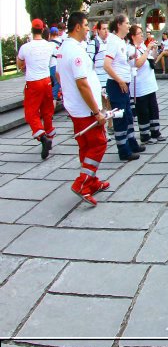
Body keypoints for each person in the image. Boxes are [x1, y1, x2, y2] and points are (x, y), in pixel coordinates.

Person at [57, 11, 109, 206]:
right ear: (77, 27)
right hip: (85, 110)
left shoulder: (64, 48)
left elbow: (60, 77)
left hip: (76, 108)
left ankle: (92, 181)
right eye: (86, 25)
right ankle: (82, 183)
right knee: (98, 144)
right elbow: (82, 83)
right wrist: (96, 111)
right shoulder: (76, 51)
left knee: (86, 146)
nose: (88, 29)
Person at [103, 15, 143, 161]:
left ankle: (131, 143)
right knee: (120, 118)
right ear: (119, 25)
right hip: (117, 85)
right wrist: (119, 80)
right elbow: (107, 65)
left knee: (128, 116)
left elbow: (120, 62)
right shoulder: (113, 41)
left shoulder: (121, 41)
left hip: (124, 84)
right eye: (126, 23)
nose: (128, 25)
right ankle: (123, 150)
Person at [17, 19, 56, 159]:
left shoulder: (25, 47)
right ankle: (50, 135)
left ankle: (41, 136)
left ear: (32, 30)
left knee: (31, 112)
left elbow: (20, 64)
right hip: (46, 81)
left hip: (33, 82)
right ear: (43, 29)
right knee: (47, 110)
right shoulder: (49, 46)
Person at [129, 26, 166, 144]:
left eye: (142, 33)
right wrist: (146, 51)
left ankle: (155, 131)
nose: (142, 35)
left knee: (153, 109)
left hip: (149, 84)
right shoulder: (131, 49)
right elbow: (138, 63)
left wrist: (153, 50)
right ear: (132, 36)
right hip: (139, 86)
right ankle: (145, 135)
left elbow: (152, 60)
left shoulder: (143, 46)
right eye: (139, 33)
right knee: (143, 111)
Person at [48, 25, 64, 104]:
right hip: (62, 66)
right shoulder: (62, 42)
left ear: (50, 34)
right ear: (58, 33)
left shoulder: (49, 44)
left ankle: (50, 114)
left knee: (53, 93)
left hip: (53, 66)